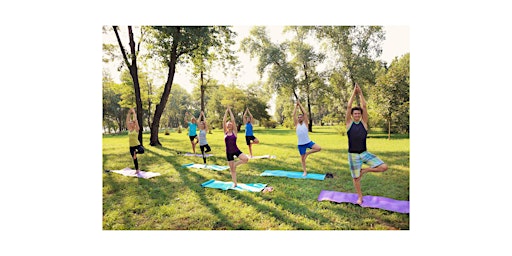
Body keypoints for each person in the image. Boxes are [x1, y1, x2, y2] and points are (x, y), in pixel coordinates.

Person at [345, 83, 388, 205]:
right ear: (352, 115)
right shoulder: (349, 124)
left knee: (384, 167)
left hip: (364, 153)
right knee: (356, 178)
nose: (357, 115)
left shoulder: (364, 123)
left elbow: (364, 105)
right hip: (353, 155)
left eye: (359, 113)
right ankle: (360, 197)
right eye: (355, 114)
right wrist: (354, 92)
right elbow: (348, 107)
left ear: (361, 115)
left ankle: (365, 170)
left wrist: (361, 92)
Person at [293, 101, 321, 176]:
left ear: (303, 118)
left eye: (300, 117)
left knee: (318, 148)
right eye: (298, 117)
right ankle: (305, 171)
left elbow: (305, 113)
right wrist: (296, 106)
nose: (299, 118)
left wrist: (300, 104)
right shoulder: (296, 124)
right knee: (302, 159)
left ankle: (307, 153)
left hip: (308, 142)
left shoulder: (305, 123)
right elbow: (293, 115)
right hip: (301, 144)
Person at [223, 106, 249, 187]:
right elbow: (223, 121)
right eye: (228, 124)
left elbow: (233, 120)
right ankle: (235, 183)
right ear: (226, 126)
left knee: (245, 159)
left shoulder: (235, 132)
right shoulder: (225, 133)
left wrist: (230, 110)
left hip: (235, 150)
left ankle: (235, 164)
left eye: (231, 124)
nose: (230, 125)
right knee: (232, 170)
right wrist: (226, 112)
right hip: (228, 152)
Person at [126, 108, 145, 177]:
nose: (130, 124)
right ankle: (137, 170)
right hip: (131, 146)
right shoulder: (129, 129)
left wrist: (134, 113)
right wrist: (129, 113)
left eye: (132, 123)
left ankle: (135, 152)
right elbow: (127, 120)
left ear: (134, 124)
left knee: (142, 150)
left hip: (137, 145)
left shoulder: (136, 129)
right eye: (130, 123)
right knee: (134, 158)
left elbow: (136, 121)